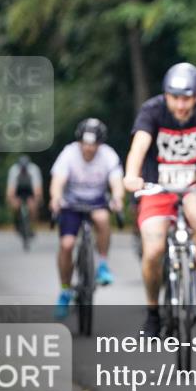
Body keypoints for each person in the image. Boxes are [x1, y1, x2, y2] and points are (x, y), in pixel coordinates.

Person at [122, 62, 196, 336]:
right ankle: (153, 312)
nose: (181, 105)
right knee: (152, 250)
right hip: (156, 185)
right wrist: (131, 176)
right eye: (175, 98)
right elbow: (138, 146)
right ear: (166, 95)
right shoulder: (153, 109)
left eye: (187, 98)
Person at [49, 119, 125, 319]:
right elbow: (58, 180)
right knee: (67, 244)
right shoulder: (68, 153)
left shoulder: (108, 155)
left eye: (94, 144)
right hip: (72, 204)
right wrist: (55, 198)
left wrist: (117, 198)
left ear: (100, 144)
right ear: (79, 142)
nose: (89, 148)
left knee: (102, 219)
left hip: (96, 202)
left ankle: (102, 264)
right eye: (86, 143)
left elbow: (116, 181)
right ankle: (65, 290)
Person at [6, 155, 43, 232]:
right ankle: (17, 221)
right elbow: (11, 189)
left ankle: (32, 225)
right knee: (14, 204)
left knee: (33, 205)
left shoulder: (34, 169)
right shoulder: (14, 170)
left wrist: (36, 199)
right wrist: (12, 199)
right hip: (18, 189)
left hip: (30, 189)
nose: (23, 170)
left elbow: (37, 188)